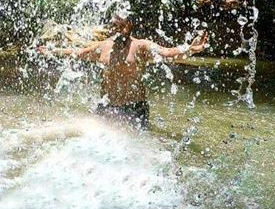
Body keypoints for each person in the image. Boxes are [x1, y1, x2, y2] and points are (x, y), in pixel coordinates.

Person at [38, 15, 208, 129]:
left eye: (122, 26)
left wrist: (190, 49)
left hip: (133, 108)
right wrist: (52, 51)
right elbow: (78, 53)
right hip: (107, 106)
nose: (118, 30)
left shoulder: (141, 46)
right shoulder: (103, 47)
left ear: (129, 26)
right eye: (115, 27)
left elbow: (168, 53)